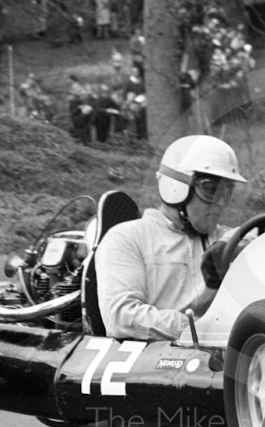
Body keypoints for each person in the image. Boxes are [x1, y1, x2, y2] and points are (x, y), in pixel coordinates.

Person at [95, 135, 249, 340]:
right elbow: (122, 320)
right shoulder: (126, 238)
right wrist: (202, 330)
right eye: (212, 190)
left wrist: (247, 243)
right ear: (176, 187)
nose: (221, 202)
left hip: (221, 360)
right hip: (152, 364)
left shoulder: (225, 240)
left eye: (228, 192)